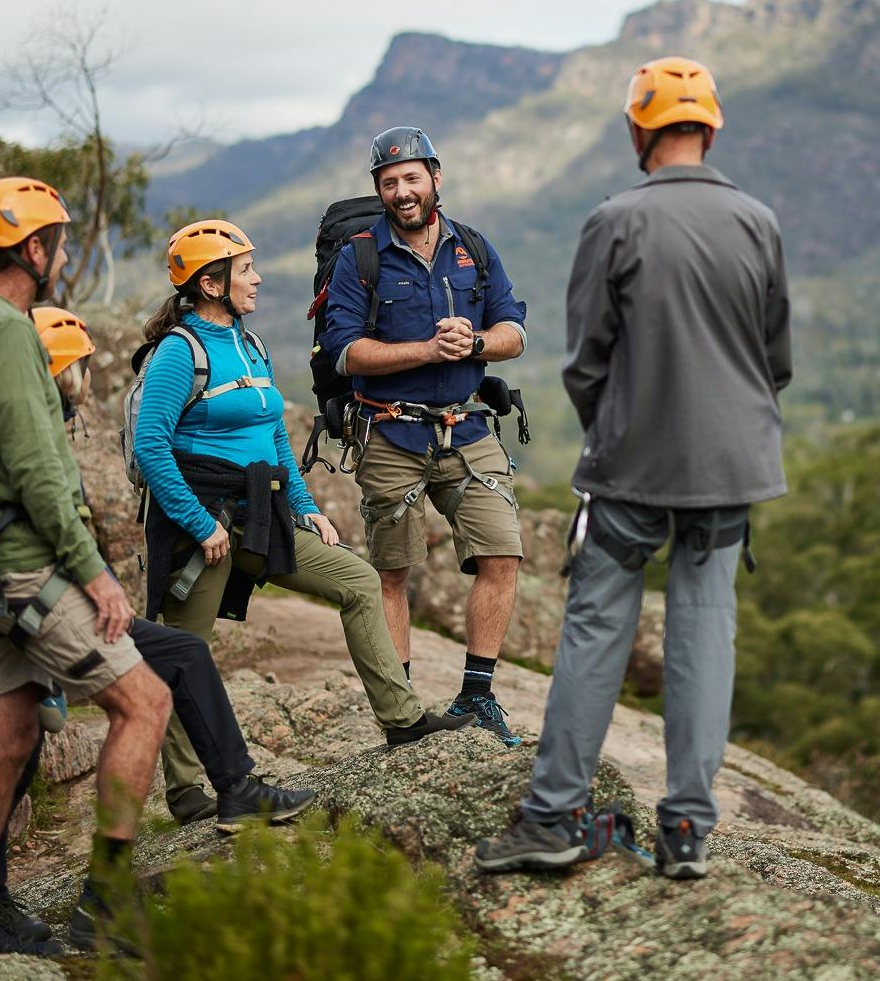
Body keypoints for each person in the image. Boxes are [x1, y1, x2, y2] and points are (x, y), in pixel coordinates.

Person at [0, 178, 309, 957]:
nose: (64, 255)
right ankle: (104, 904)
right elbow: (39, 471)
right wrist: (94, 575)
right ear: (33, 249)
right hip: (21, 568)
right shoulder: (6, 333)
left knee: (4, 738)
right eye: (61, 242)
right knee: (142, 702)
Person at [475, 58, 791, 880]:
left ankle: (554, 817)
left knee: (596, 628)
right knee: (703, 633)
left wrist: (618, 432)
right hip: (732, 466)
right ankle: (687, 831)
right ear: (709, 127)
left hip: (632, 467)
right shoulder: (758, 221)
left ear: (638, 128)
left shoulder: (615, 220)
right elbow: (774, 361)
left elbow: (586, 361)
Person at [134, 219, 472, 822]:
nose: (257, 278)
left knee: (359, 582)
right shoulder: (177, 354)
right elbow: (151, 447)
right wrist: (198, 523)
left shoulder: (250, 344)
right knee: (185, 649)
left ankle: (402, 719)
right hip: (202, 524)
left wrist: (309, 509)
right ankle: (186, 789)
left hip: (260, 515)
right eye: (245, 270)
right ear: (211, 285)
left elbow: (275, 441)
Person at [318, 128, 531, 746]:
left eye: (412, 178)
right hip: (391, 431)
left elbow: (514, 330)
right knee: (392, 570)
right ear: (378, 191)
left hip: (467, 426)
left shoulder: (473, 248)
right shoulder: (360, 257)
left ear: (436, 177)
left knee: (502, 553)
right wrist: (426, 349)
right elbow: (346, 352)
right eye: (390, 183)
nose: (402, 192)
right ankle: (402, 711)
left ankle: (477, 696)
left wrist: (479, 343)